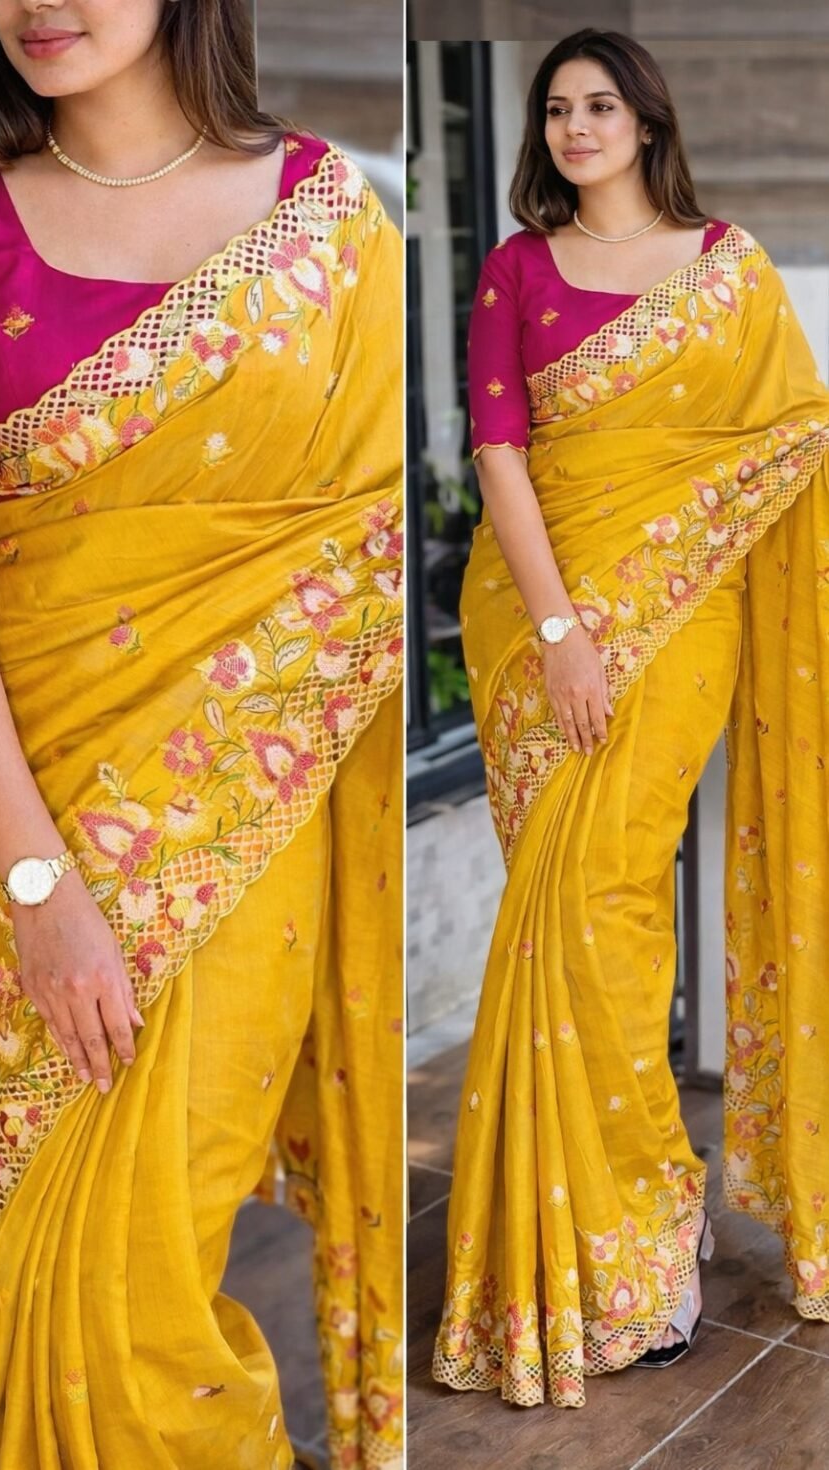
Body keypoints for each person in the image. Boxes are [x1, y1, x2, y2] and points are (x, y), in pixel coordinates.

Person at [0, 1, 404, 1465]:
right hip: (4, 829)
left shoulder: (327, 219)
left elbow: (367, 538)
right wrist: (41, 888)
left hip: (249, 807)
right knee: (73, 1260)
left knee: (149, 1260)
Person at [429, 26, 829, 1410]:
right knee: (570, 912)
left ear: (648, 121)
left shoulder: (727, 271)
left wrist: (653, 576)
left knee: (604, 904)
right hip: (533, 623)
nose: (576, 126)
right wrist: (560, 634)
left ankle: (643, 1221)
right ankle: (633, 1216)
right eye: (557, 108)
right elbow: (499, 450)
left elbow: (790, 440)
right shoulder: (516, 269)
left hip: (680, 621)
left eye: (601, 105)